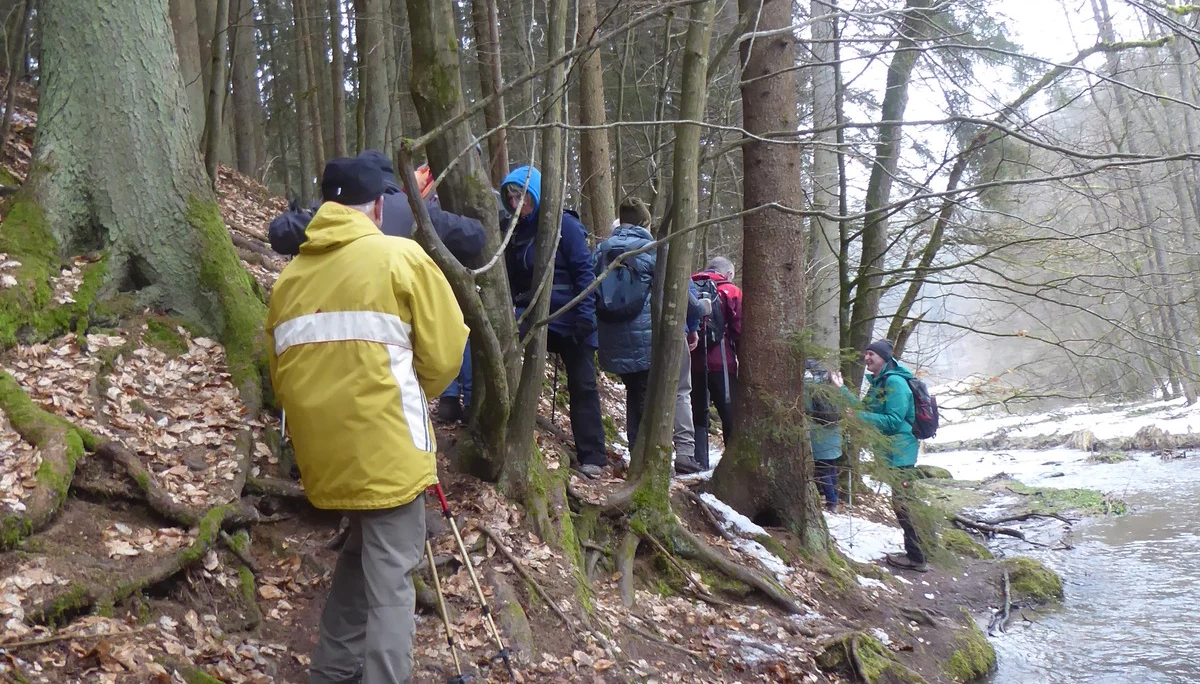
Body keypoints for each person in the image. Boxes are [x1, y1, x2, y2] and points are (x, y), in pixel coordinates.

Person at [266, 157, 469, 683]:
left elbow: (281, 377)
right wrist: (411, 391)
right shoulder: (399, 256)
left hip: (324, 461)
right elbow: (447, 352)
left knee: (362, 558)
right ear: (379, 205)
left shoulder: (289, 281)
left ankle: (330, 672)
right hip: (387, 452)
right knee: (394, 579)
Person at [267, 149, 485, 426]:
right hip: (391, 383)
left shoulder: (326, 218)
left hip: (326, 380)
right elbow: (475, 236)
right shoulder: (415, 213)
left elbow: (279, 233)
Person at [500, 166, 607, 478]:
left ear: (535, 193)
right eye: (511, 197)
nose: (516, 202)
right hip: (532, 315)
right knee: (503, 345)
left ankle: (593, 456)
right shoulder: (514, 230)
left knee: (583, 385)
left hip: (571, 314)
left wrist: (585, 317)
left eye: (520, 195)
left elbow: (584, 274)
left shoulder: (565, 225)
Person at [593, 199, 706, 466]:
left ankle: (638, 456)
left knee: (635, 392)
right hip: (647, 339)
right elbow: (682, 296)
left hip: (612, 337)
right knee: (648, 398)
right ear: (646, 222)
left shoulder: (600, 251)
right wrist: (701, 309)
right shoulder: (654, 250)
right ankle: (648, 462)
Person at [849, 339, 926, 572]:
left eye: (872, 353)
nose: (867, 358)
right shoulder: (880, 381)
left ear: (884, 357)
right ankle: (916, 554)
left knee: (905, 506)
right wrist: (841, 389)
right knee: (902, 504)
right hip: (893, 453)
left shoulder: (895, 382)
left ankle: (918, 558)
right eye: (866, 354)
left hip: (901, 453)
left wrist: (858, 418)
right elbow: (864, 410)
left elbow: (893, 421)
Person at [690, 256, 743, 469]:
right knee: (729, 411)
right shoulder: (731, 291)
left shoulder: (690, 285)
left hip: (692, 361)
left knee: (697, 410)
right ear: (728, 273)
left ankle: (699, 461)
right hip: (722, 363)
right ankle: (733, 465)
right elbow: (739, 329)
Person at [805, 359, 847, 511]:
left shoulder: (807, 386)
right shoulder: (833, 385)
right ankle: (834, 499)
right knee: (831, 468)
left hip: (819, 435)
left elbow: (806, 408)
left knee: (823, 470)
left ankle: (831, 502)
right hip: (834, 434)